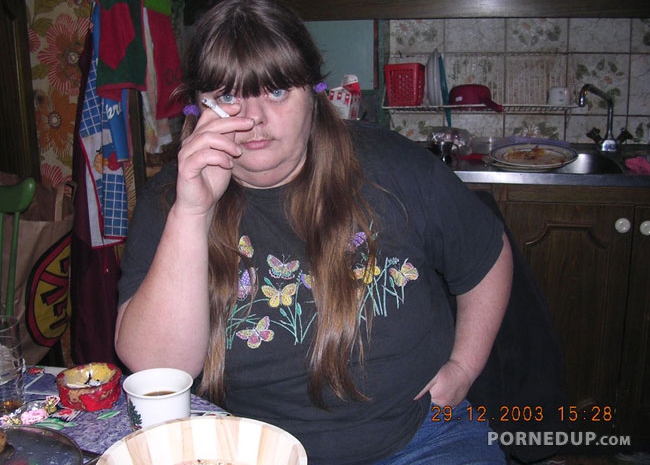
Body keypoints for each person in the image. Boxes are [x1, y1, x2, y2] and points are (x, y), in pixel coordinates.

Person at [115, 0, 513, 463]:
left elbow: (486, 255)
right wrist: (192, 212)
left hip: (420, 439)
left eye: (276, 91)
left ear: (314, 92)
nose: (254, 119)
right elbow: (159, 371)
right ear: (198, 106)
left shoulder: (394, 166)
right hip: (245, 447)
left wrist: (463, 367)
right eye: (227, 96)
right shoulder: (171, 198)